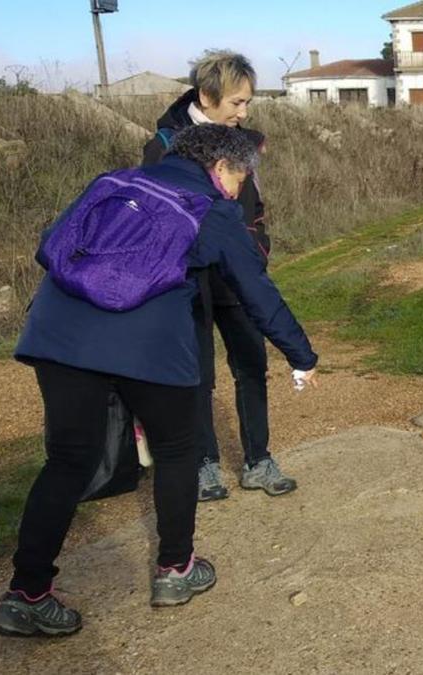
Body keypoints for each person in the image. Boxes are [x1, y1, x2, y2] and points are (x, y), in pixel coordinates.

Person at [0, 124, 318, 637]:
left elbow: (51, 245)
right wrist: (302, 355)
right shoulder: (213, 209)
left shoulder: (112, 183)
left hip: (58, 336)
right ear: (219, 169)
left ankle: (26, 594)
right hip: (148, 345)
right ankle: (175, 569)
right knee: (175, 450)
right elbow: (256, 291)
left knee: (68, 460)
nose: (239, 188)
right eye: (240, 176)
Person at [142, 50, 292, 501]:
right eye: (236, 103)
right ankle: (205, 465)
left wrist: (257, 248)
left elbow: (256, 205)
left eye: (248, 103)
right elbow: (154, 214)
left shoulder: (243, 142)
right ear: (207, 97)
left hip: (238, 276)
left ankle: (259, 460)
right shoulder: (163, 144)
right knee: (196, 374)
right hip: (187, 282)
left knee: (252, 364)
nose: (244, 113)